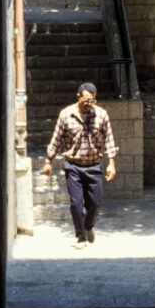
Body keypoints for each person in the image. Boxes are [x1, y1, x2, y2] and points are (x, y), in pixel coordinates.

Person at [43, 81, 117, 249]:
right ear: (78, 97)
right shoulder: (66, 115)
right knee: (76, 204)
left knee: (95, 203)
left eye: (92, 101)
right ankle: (81, 237)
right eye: (86, 100)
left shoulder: (101, 115)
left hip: (93, 165)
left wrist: (111, 163)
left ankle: (88, 226)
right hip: (73, 166)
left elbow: (109, 139)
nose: (89, 104)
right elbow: (56, 139)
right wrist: (49, 161)